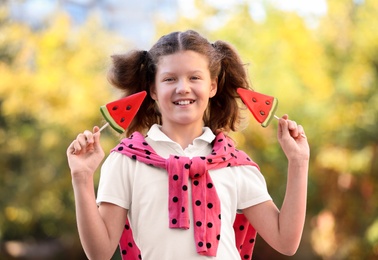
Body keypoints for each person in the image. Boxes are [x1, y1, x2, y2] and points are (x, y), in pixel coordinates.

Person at [66, 30, 310, 260]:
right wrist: (82, 177)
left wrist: (299, 162)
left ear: (212, 86)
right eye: (170, 79)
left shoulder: (235, 164)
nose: (183, 88)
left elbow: (286, 242)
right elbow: (99, 254)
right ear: (153, 89)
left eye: (195, 77)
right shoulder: (125, 161)